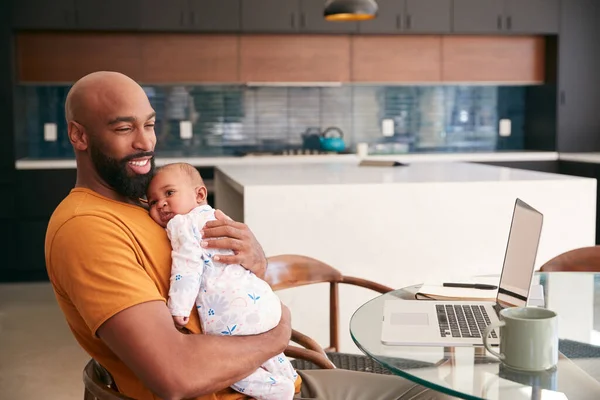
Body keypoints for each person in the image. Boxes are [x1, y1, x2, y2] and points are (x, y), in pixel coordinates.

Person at [45, 70, 456, 400]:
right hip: (236, 390)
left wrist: (253, 260)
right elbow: (175, 374)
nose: (146, 142)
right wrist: (276, 333)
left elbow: (209, 281)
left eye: (150, 125)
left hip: (271, 378)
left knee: (437, 393)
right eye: (124, 129)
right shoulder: (87, 228)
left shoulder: (143, 203)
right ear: (79, 135)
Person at [147, 162, 298, 399]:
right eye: (153, 202)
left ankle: (277, 389)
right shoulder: (217, 216)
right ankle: (290, 377)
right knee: (265, 351)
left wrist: (179, 308)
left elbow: (187, 264)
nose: (161, 204)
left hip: (230, 315)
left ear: (199, 194)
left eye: (169, 193)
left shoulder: (181, 224)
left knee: (230, 365)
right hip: (262, 303)